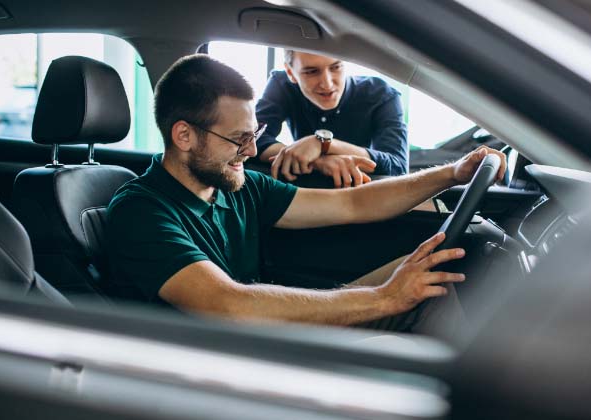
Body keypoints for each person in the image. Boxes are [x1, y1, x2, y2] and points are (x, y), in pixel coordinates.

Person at [106, 55, 505, 336]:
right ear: (184, 136)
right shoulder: (141, 210)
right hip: (224, 360)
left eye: (255, 136)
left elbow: (354, 202)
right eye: (238, 139)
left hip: (267, 333)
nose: (250, 151)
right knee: (419, 296)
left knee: (429, 272)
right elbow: (228, 305)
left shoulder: (240, 188)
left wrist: (452, 174)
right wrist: (384, 299)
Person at [255, 50, 409, 188]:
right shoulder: (281, 84)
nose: (327, 84)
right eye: (312, 71)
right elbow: (252, 140)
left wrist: (323, 144)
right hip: (304, 193)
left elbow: (398, 167)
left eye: (336, 67)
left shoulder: (382, 95)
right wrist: (317, 162)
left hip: (363, 194)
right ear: (290, 72)